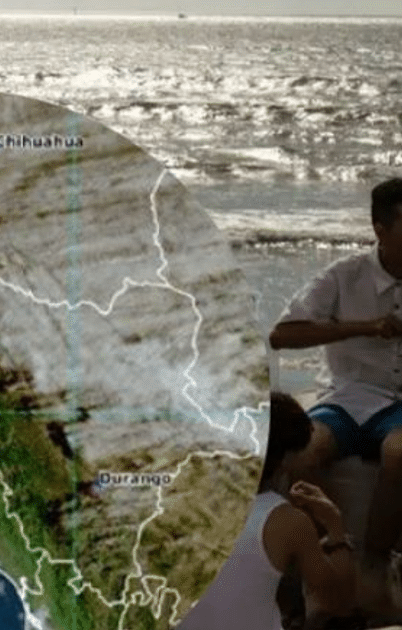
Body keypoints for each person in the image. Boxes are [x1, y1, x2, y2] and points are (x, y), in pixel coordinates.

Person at [269, 177, 402, 616]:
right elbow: (283, 334)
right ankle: (329, 544)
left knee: (399, 453)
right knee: (303, 454)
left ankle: (374, 562)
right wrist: (365, 328)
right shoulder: (346, 275)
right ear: (380, 229)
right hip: (348, 396)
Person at [176, 393, 357, 630]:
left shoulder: (177, 506)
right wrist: (335, 526)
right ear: (285, 459)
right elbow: (339, 603)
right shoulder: (287, 522)